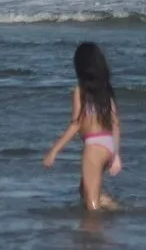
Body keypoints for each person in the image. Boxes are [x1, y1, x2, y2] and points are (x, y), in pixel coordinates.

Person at [42, 41, 122, 210]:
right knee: (84, 191)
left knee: (91, 207)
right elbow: (115, 123)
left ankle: (94, 233)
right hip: (107, 146)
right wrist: (115, 155)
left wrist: (54, 151)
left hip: (93, 148)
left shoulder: (80, 91)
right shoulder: (106, 89)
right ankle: (117, 209)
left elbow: (76, 123)